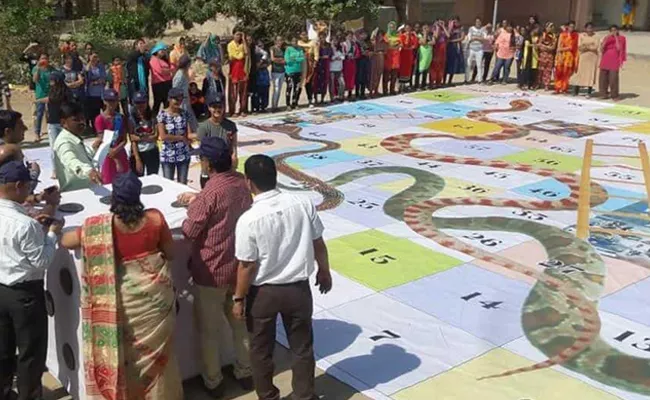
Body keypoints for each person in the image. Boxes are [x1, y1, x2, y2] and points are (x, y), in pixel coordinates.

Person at [60, 172, 183, 399]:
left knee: (129, 358)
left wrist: (57, 227)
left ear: (114, 198)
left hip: (125, 304)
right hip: (156, 304)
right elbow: (172, 253)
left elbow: (67, 241)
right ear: (138, 196)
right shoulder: (155, 219)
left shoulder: (99, 227)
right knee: (159, 358)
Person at [232, 155, 333, 400]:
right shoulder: (303, 204)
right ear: (275, 176)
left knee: (260, 351)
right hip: (298, 290)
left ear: (248, 182)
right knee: (302, 348)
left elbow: (246, 265)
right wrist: (324, 271)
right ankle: (305, 395)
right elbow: (318, 242)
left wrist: (238, 299)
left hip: (263, 294)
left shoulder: (249, 220)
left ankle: (268, 396)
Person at [177, 137, 253, 397]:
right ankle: (245, 371)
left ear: (207, 163)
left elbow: (189, 230)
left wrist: (194, 205)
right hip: (239, 267)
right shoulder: (243, 182)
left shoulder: (211, 191)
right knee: (239, 324)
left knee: (209, 332)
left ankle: (213, 381)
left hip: (210, 270)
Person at [0, 160, 62, 400]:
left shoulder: (21, 220)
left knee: (4, 350)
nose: (30, 192)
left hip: (2, 291)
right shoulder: (25, 225)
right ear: (17, 186)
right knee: (30, 354)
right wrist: (52, 234)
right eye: (28, 186)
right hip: (25, 295)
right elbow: (42, 261)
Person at [53, 102, 103, 192]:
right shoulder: (64, 142)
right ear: (63, 123)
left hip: (87, 190)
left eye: (83, 119)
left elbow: (82, 157)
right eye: (76, 120)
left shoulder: (74, 137)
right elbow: (71, 161)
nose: (82, 122)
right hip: (76, 193)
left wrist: (94, 149)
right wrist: (89, 172)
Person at [94, 89, 129, 185]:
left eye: (114, 100)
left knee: (125, 183)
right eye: (109, 101)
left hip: (120, 152)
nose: (112, 103)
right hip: (108, 156)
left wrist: (117, 150)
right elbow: (103, 142)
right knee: (109, 184)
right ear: (104, 101)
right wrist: (116, 159)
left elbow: (124, 139)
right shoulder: (99, 119)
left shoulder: (121, 117)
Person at [157, 88, 192, 184]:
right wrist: (180, 138)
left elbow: (188, 133)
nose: (179, 102)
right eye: (176, 99)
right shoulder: (162, 114)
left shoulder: (184, 113)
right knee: (169, 184)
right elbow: (163, 136)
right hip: (168, 155)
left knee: (183, 184)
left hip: (183, 154)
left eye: (180, 99)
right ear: (169, 99)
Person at [196, 95, 238, 166]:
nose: (217, 110)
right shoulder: (203, 126)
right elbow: (202, 147)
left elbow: (234, 144)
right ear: (209, 108)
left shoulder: (231, 125)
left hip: (226, 160)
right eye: (214, 107)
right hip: (211, 162)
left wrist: (234, 156)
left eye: (220, 107)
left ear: (223, 108)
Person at [129, 92, 159, 176]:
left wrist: (140, 138)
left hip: (152, 151)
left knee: (153, 178)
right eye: (137, 103)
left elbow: (156, 136)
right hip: (138, 152)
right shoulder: (131, 119)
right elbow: (132, 138)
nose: (140, 105)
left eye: (142, 102)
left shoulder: (152, 116)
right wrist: (137, 159)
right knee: (138, 180)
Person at [46, 72, 70, 173]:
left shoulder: (66, 92)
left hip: (63, 122)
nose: (51, 81)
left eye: (52, 79)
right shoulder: (51, 90)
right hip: (52, 122)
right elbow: (49, 104)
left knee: (66, 146)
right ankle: (55, 169)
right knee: (54, 147)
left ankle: (67, 168)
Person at [599, 24, 627, 101]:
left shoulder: (622, 38)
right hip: (605, 58)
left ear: (618, 30)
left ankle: (614, 95)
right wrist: (607, 38)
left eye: (615, 30)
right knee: (603, 78)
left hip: (614, 59)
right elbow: (601, 49)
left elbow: (619, 48)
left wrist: (615, 37)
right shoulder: (607, 38)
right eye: (612, 30)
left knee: (613, 78)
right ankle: (603, 94)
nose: (613, 32)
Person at [172, 54, 198, 132]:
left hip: (185, 99)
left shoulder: (184, 73)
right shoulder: (179, 75)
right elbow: (175, 89)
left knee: (190, 118)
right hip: (181, 100)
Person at [572, 22, 599, 96]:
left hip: (592, 57)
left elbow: (595, 47)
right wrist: (589, 46)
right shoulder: (581, 35)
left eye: (591, 28)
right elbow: (580, 47)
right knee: (580, 73)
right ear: (585, 28)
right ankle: (576, 91)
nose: (590, 29)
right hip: (583, 57)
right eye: (588, 28)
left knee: (590, 74)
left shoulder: (596, 36)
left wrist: (586, 46)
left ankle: (589, 92)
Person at [554, 21, 579, 94]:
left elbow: (571, 47)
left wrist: (561, 49)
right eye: (570, 26)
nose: (572, 28)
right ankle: (557, 88)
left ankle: (564, 88)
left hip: (569, 56)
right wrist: (559, 53)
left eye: (573, 27)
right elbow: (558, 46)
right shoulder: (562, 34)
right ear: (567, 27)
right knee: (558, 71)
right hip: (561, 55)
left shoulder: (575, 35)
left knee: (566, 72)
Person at [228, 32, 249, 117]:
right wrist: (240, 55)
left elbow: (247, 52)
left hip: (242, 70)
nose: (238, 37)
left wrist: (244, 40)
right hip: (234, 70)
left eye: (240, 35)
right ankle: (233, 111)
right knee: (234, 93)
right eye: (237, 35)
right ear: (233, 35)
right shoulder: (230, 45)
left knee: (243, 92)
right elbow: (232, 56)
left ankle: (242, 110)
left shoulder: (242, 45)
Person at [33, 53, 53, 142]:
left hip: (50, 94)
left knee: (50, 113)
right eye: (42, 58)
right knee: (39, 114)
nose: (44, 60)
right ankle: (37, 133)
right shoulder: (36, 68)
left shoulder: (51, 69)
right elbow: (35, 80)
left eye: (46, 58)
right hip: (40, 94)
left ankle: (51, 131)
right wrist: (38, 67)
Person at [150, 42, 174, 117]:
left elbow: (172, 67)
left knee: (167, 102)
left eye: (164, 51)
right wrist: (169, 71)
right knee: (157, 102)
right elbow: (160, 71)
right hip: (158, 84)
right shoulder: (153, 59)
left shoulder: (164, 60)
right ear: (157, 51)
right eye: (161, 51)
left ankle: (167, 118)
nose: (163, 53)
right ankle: (154, 120)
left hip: (167, 82)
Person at [84, 52, 106, 129]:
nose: (94, 59)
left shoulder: (101, 67)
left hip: (100, 93)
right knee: (93, 113)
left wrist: (95, 82)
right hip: (91, 94)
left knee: (102, 112)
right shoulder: (87, 67)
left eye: (96, 57)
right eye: (93, 57)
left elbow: (103, 79)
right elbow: (87, 79)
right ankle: (94, 128)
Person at [126, 38, 150, 103]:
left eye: (143, 43)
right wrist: (142, 50)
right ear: (136, 46)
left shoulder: (145, 57)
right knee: (135, 102)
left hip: (143, 83)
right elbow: (136, 54)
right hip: (134, 82)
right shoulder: (131, 55)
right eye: (140, 44)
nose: (143, 45)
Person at [284, 37, 305, 110]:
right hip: (289, 71)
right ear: (291, 42)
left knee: (297, 88)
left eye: (296, 41)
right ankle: (288, 104)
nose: (294, 43)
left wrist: (294, 59)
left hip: (298, 71)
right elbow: (287, 60)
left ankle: (295, 103)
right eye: (293, 41)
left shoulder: (300, 49)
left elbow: (302, 58)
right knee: (289, 87)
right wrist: (296, 59)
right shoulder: (288, 49)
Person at [298, 31, 317, 107]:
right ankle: (295, 102)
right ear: (300, 35)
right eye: (303, 35)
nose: (304, 36)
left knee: (309, 83)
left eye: (305, 34)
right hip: (300, 65)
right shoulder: (298, 43)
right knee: (299, 84)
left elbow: (316, 54)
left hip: (309, 64)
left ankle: (310, 100)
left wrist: (315, 62)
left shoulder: (312, 42)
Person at [537, 22, 557, 91]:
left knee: (548, 71)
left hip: (550, 56)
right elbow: (539, 44)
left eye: (551, 27)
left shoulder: (554, 36)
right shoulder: (542, 35)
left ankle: (546, 85)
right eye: (549, 27)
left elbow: (553, 47)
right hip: (542, 55)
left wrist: (545, 47)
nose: (550, 28)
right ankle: (538, 83)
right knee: (540, 70)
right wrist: (546, 47)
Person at [398, 23, 418, 92]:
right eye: (406, 28)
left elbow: (415, 45)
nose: (408, 29)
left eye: (409, 28)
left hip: (409, 55)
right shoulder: (402, 36)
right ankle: (400, 86)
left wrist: (410, 46)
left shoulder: (413, 36)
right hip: (403, 55)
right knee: (402, 70)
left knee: (408, 70)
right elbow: (403, 44)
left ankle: (406, 86)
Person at [252, 40, 271, 112]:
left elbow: (269, 62)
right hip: (257, 73)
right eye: (259, 46)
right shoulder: (255, 53)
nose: (260, 47)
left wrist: (263, 64)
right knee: (257, 90)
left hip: (264, 72)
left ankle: (264, 106)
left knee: (265, 89)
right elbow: (255, 65)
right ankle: (256, 107)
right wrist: (259, 64)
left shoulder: (265, 53)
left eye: (262, 45)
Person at [445, 17, 465, 85]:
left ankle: (449, 81)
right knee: (447, 64)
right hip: (449, 47)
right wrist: (450, 27)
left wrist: (453, 41)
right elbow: (448, 35)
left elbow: (462, 38)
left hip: (456, 47)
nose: (455, 23)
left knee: (453, 64)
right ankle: (444, 81)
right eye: (454, 22)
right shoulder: (449, 28)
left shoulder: (461, 28)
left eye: (456, 22)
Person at [466, 18, 486, 84]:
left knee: (479, 64)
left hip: (479, 49)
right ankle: (466, 79)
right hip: (471, 49)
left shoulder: (483, 29)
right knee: (468, 64)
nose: (478, 23)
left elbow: (484, 39)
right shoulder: (471, 29)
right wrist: (478, 38)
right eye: (477, 22)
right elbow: (469, 39)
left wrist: (475, 38)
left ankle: (480, 80)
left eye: (479, 22)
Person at [269, 36, 286, 112]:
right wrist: (280, 60)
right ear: (275, 41)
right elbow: (272, 59)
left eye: (281, 40)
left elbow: (285, 59)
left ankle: (276, 105)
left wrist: (279, 60)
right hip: (275, 71)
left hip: (282, 70)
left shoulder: (283, 49)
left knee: (279, 89)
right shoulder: (272, 48)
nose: (280, 42)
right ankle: (273, 106)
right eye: (278, 40)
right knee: (276, 88)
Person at [384, 22, 401, 95]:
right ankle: (385, 90)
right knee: (386, 75)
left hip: (396, 57)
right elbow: (386, 46)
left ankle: (392, 90)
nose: (392, 28)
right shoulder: (386, 36)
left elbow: (401, 44)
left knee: (394, 75)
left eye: (393, 27)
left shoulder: (398, 35)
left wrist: (394, 46)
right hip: (388, 57)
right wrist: (394, 46)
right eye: (390, 27)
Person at [342, 31, 360, 101]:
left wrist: (354, 56)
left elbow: (358, 53)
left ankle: (350, 93)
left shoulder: (354, 45)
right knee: (345, 77)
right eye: (349, 36)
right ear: (346, 36)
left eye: (351, 36)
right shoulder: (343, 44)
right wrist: (346, 55)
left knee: (352, 78)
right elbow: (342, 52)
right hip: (345, 63)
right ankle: (343, 94)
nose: (350, 37)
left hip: (352, 63)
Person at [430, 20, 448, 88]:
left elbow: (448, 35)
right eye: (438, 23)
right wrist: (437, 27)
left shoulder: (443, 31)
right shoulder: (434, 31)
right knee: (434, 67)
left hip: (443, 52)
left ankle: (438, 82)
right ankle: (432, 82)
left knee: (441, 67)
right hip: (436, 51)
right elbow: (436, 36)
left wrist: (443, 27)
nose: (440, 24)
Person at [355, 30, 371, 100]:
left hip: (366, 60)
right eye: (363, 34)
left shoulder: (366, 43)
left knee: (364, 76)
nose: (364, 36)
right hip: (359, 61)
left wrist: (368, 53)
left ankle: (362, 93)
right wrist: (363, 53)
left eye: (365, 34)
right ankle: (357, 93)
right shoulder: (357, 43)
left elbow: (369, 50)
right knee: (359, 77)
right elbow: (358, 52)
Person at [369, 29, 386, 97]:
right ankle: (371, 91)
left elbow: (385, 51)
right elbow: (372, 39)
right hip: (374, 60)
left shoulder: (384, 42)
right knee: (373, 75)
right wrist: (375, 32)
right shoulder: (374, 42)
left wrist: (381, 52)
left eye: (382, 35)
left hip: (381, 60)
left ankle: (376, 90)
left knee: (379, 74)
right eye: (379, 35)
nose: (380, 37)